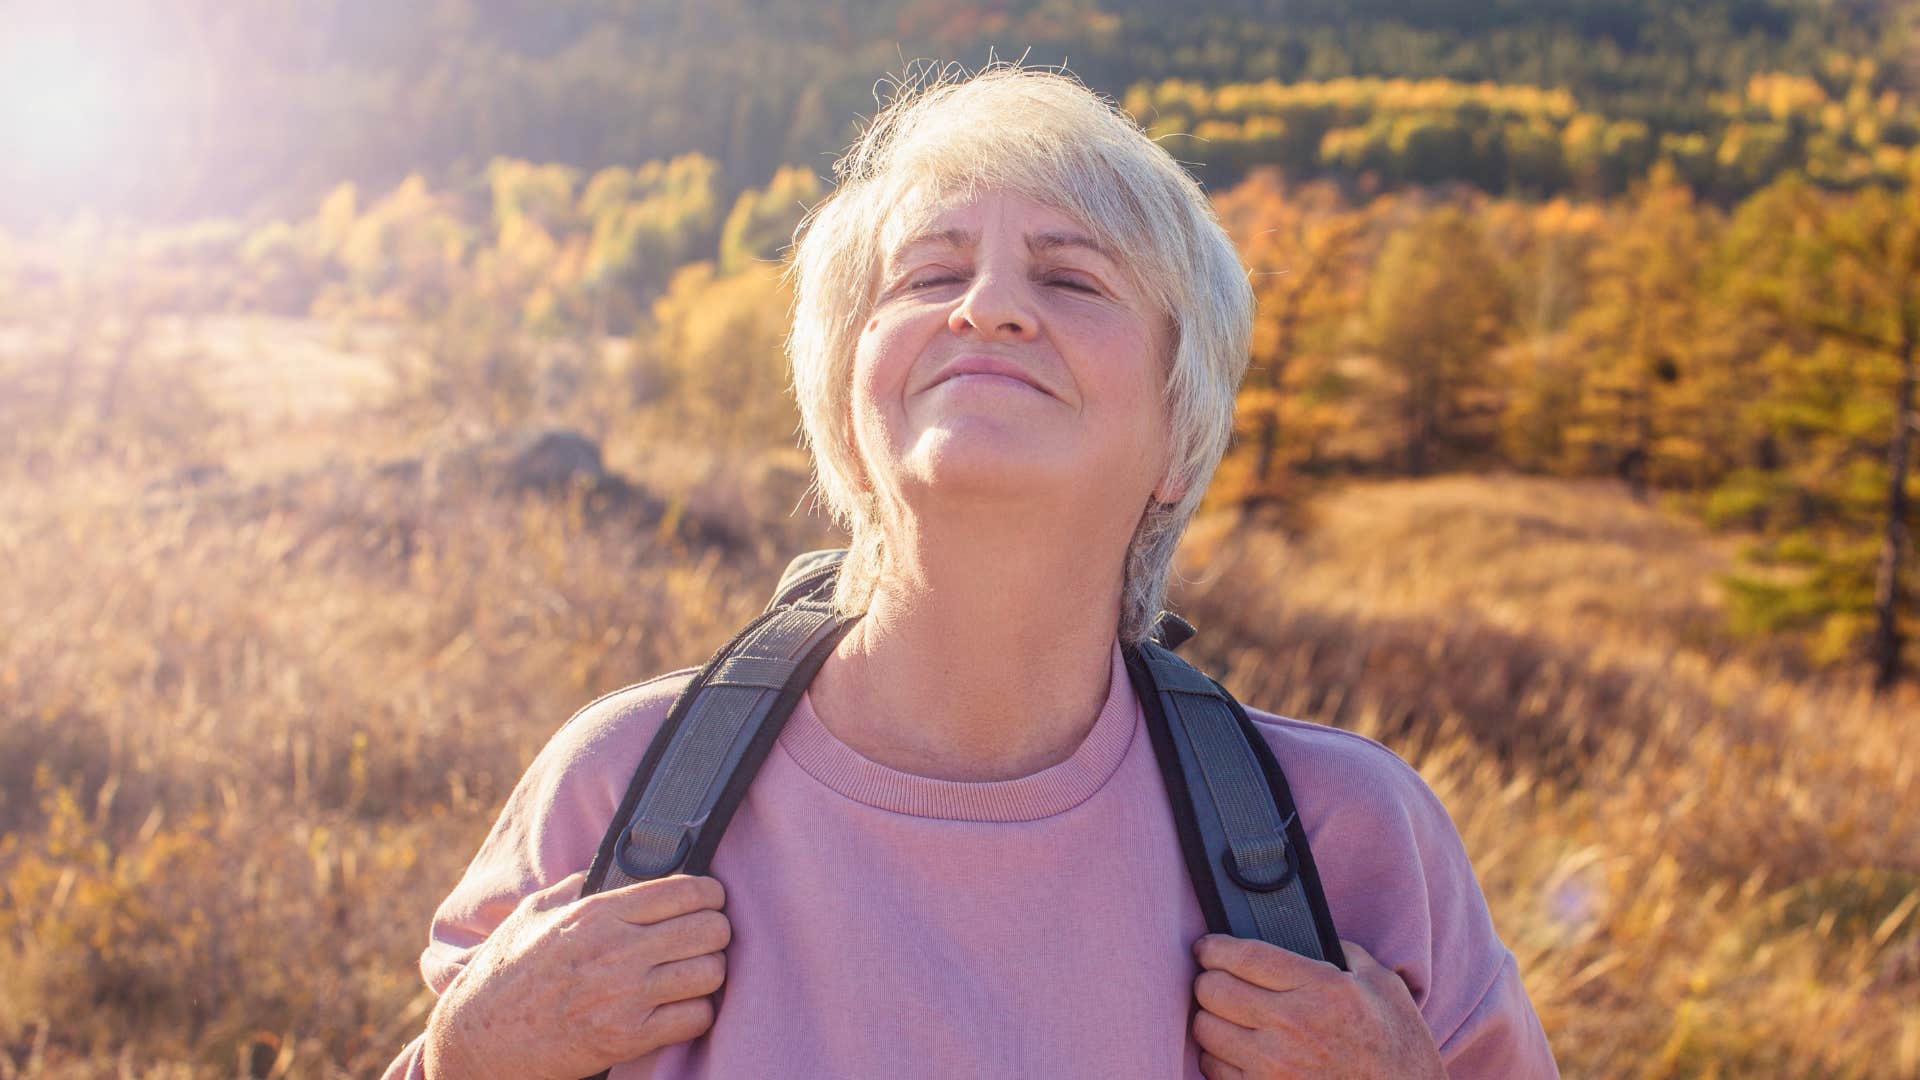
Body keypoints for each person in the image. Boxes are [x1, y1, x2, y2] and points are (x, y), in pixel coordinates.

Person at [383, 65, 1557, 1079]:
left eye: (1072, 279)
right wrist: (465, 1059)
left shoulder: (1351, 842)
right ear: (847, 412)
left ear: (1177, 437)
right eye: (928, 276)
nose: (989, 307)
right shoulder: (619, 793)